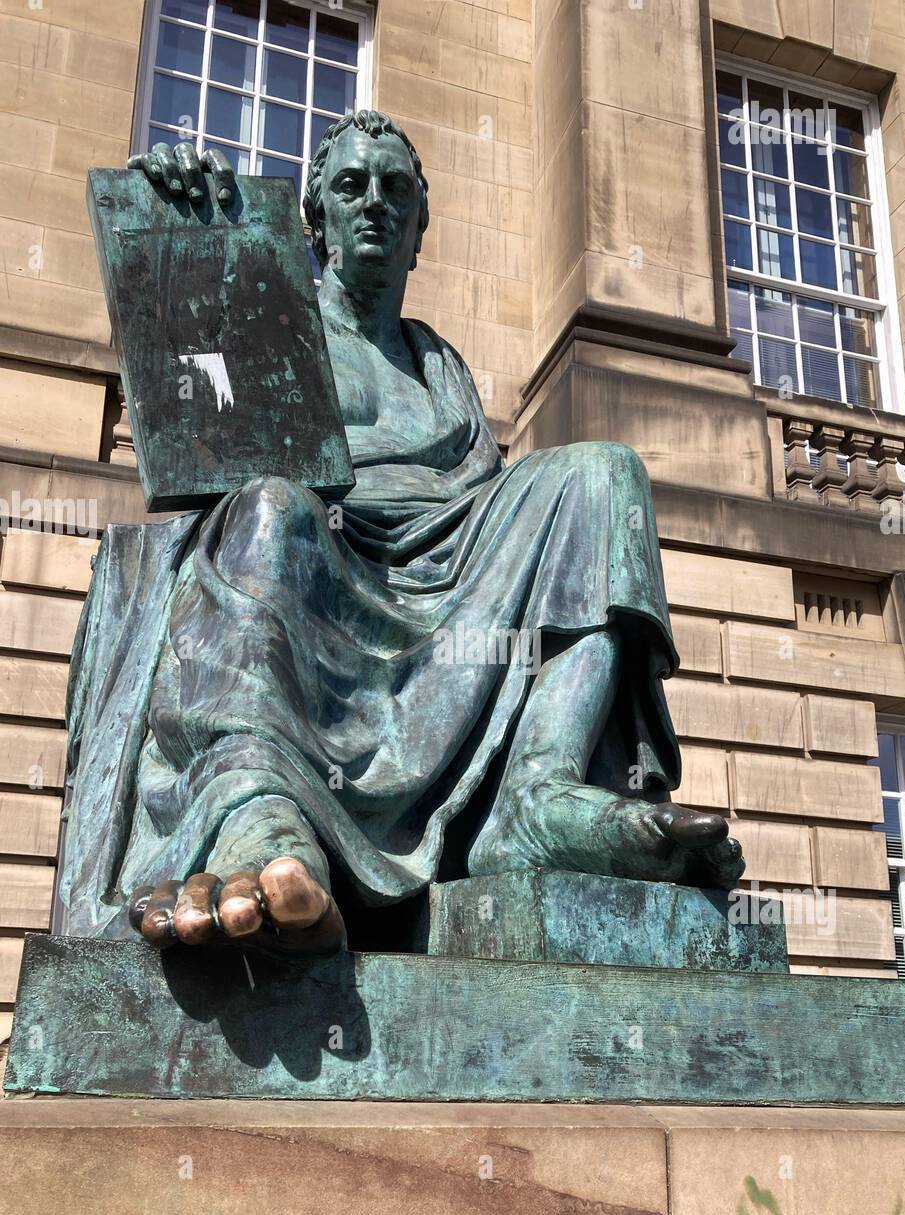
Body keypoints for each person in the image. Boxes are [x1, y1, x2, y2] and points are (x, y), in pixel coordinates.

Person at [61, 111, 744, 955]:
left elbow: (491, 503)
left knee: (601, 472)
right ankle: (260, 812)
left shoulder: (438, 362)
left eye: (397, 190)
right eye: (350, 186)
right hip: (324, 555)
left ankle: (535, 792)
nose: (374, 203)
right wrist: (177, 205)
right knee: (273, 509)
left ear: (421, 227)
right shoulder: (277, 321)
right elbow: (190, 365)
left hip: (453, 557)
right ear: (316, 219)